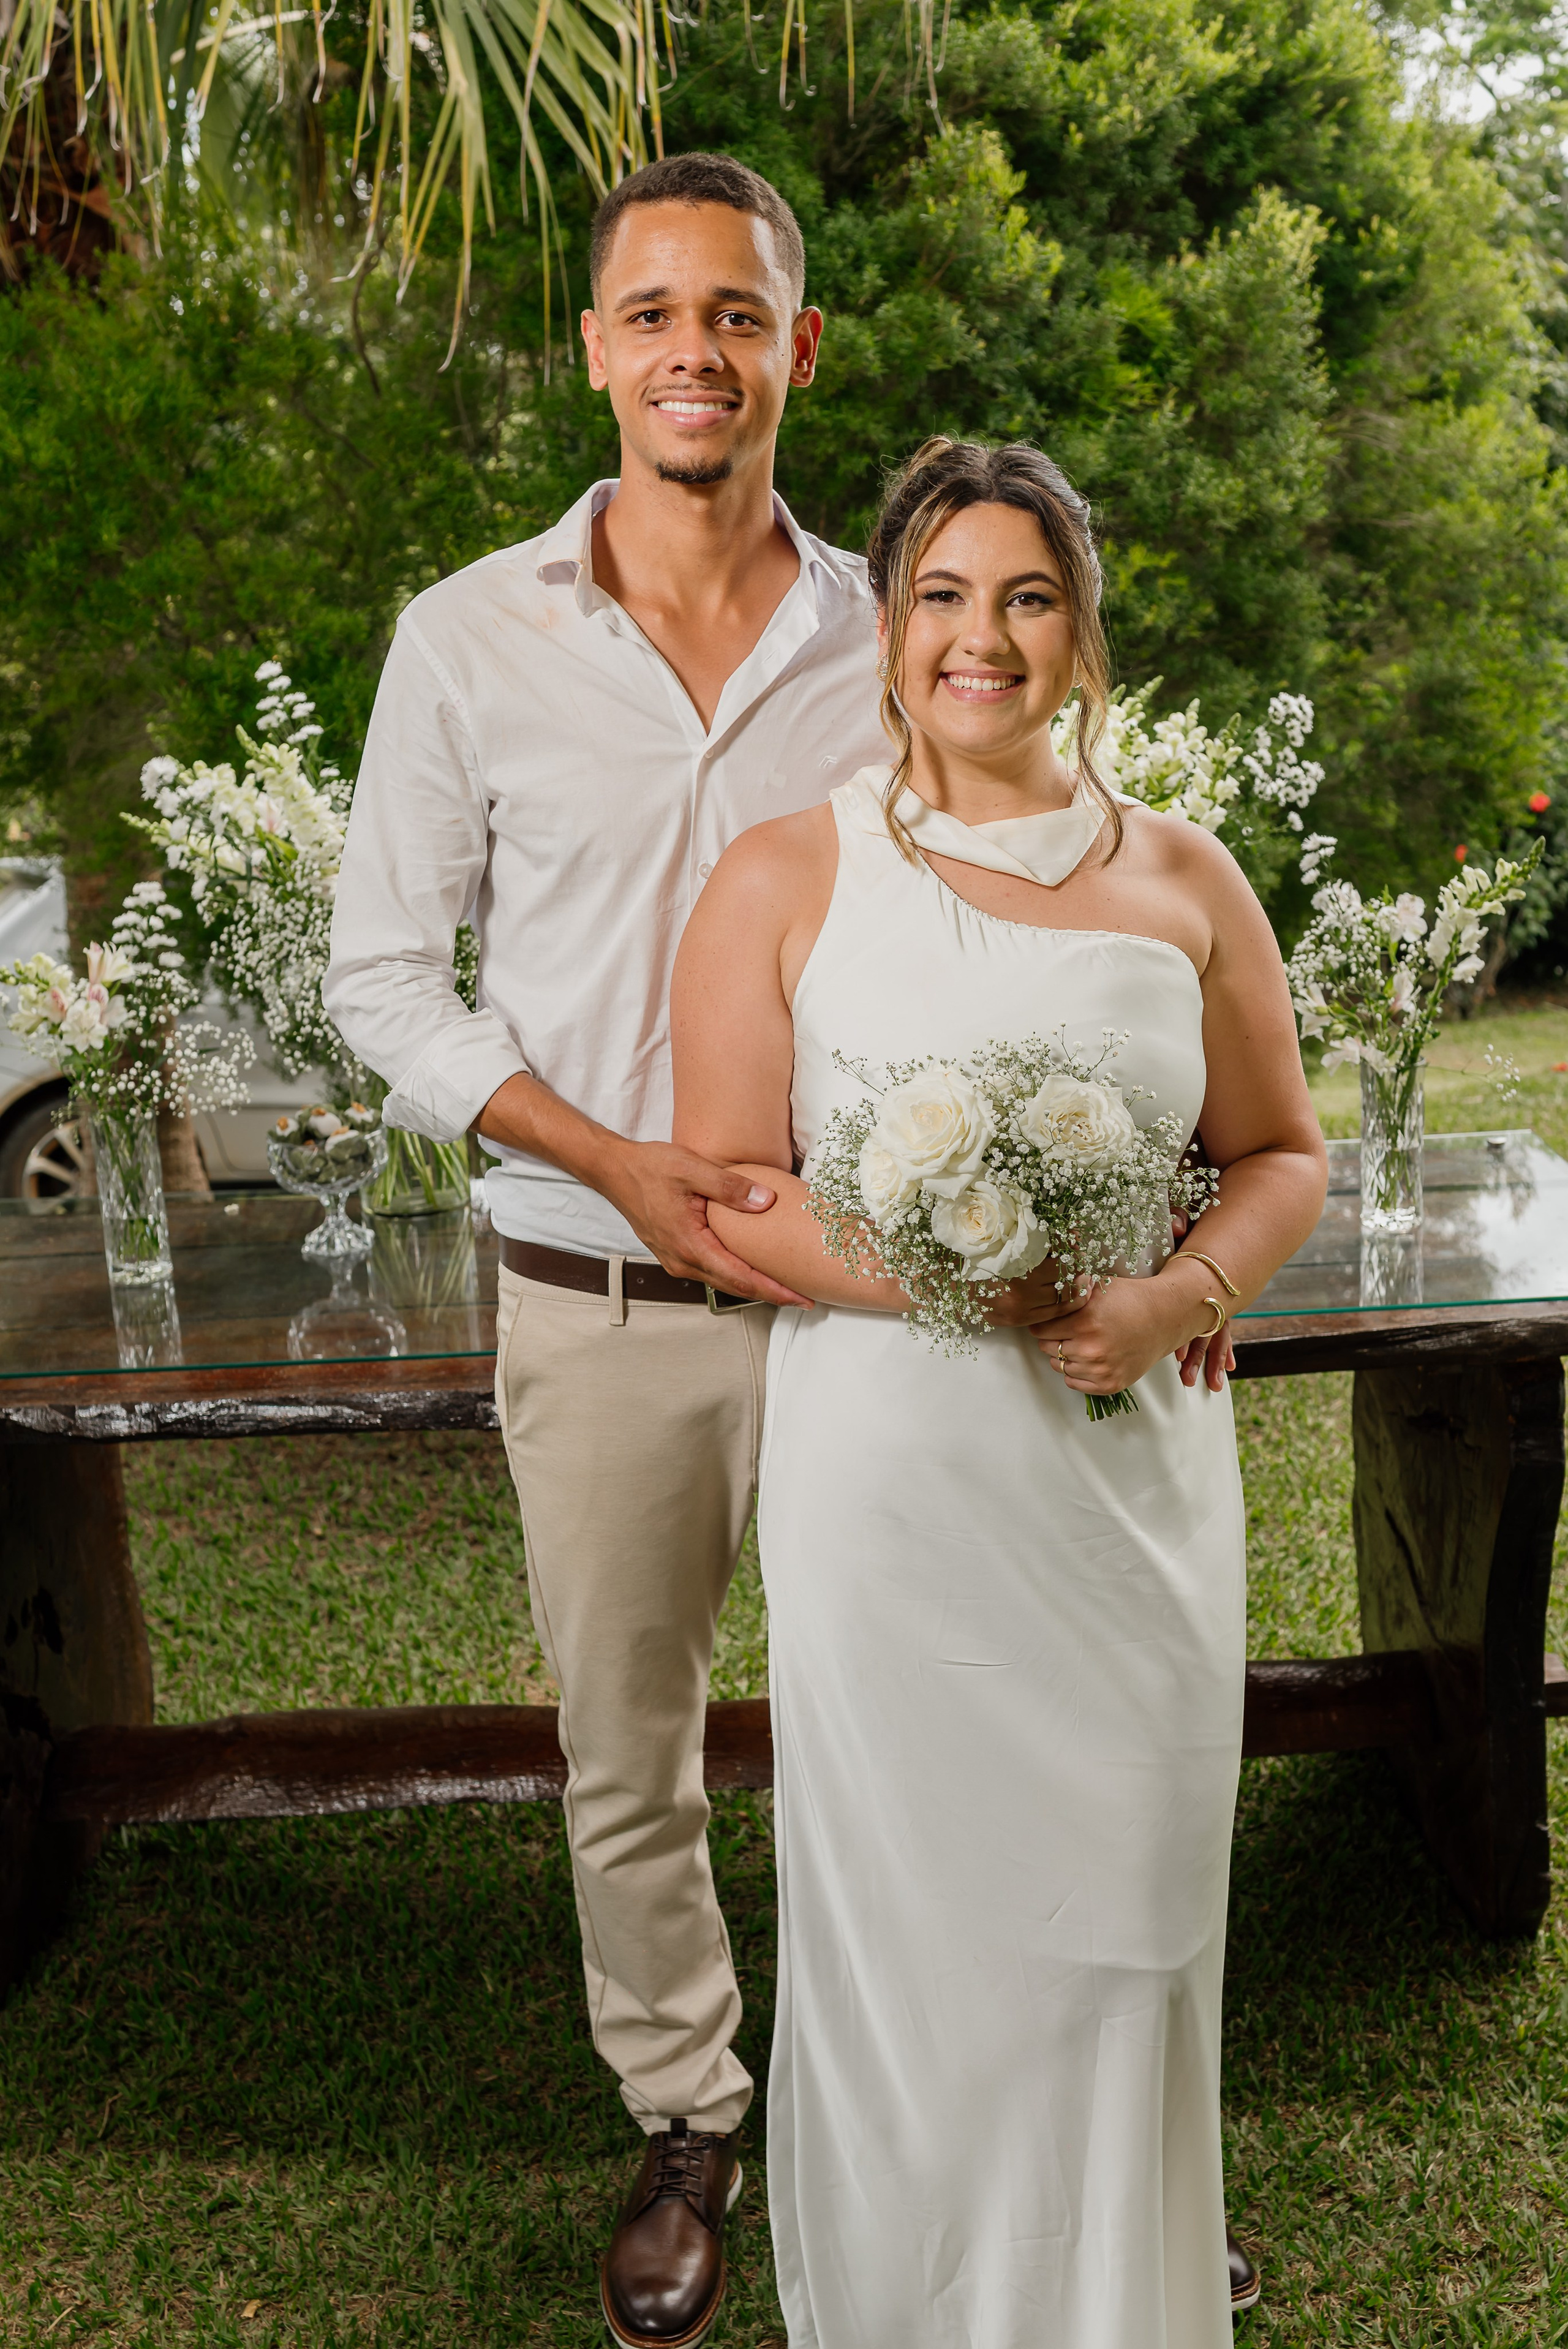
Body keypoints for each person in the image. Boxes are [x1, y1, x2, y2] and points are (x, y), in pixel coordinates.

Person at [670, 437, 1328, 2348]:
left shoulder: (1186, 876)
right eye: (944, 597)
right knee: (918, 1931)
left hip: (1126, 1482)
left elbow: (1282, 1148)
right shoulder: (788, 873)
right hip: (897, 1479)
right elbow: (732, 1195)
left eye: (1027, 596)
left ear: (1085, 633)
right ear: (887, 635)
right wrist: (966, 1280)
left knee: (1129, 1907)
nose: (985, 636)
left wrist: (1180, 1290)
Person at [324, 153, 891, 2349]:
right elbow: (386, 978)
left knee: (893, 1716)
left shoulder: (893, 633)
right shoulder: (466, 637)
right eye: (653, 312)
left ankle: (923, 2106)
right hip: (595, 1291)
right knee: (628, 1742)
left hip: (863, 1311)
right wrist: (618, 1159)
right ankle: (688, 2112)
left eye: (736, 313)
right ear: (595, 349)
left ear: (796, 350)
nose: (694, 350)